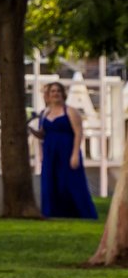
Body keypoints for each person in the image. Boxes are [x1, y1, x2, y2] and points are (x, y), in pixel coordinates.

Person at [32, 81, 98, 219]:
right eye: (52, 91)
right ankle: (52, 212)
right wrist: (31, 131)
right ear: (48, 95)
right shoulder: (45, 113)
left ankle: (80, 213)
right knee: (51, 182)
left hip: (67, 151)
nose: (55, 94)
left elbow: (78, 133)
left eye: (58, 91)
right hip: (50, 153)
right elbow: (43, 134)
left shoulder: (70, 111)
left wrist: (75, 154)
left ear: (63, 94)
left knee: (70, 182)